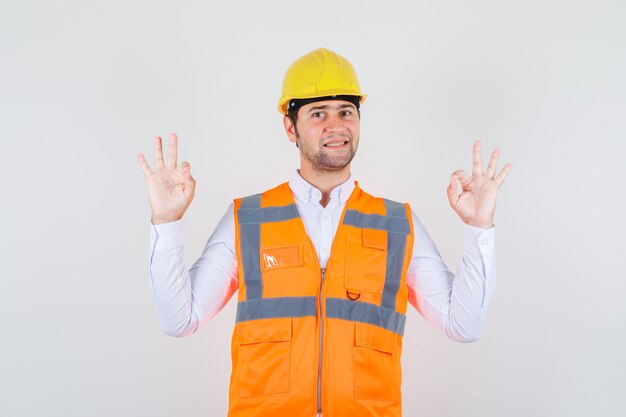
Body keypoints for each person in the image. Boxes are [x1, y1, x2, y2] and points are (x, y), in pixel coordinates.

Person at [137, 47, 512, 417]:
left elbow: (462, 325)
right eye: (319, 113)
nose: (336, 125)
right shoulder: (248, 219)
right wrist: (166, 222)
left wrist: (479, 228)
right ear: (290, 128)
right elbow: (179, 319)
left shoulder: (397, 224)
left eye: (346, 112)